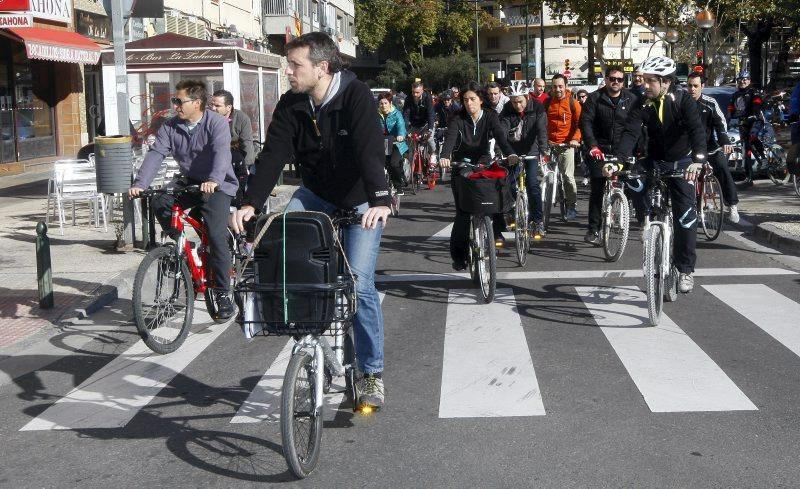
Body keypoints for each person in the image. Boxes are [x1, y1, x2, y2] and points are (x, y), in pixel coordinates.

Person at [229, 32, 391, 411]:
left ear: (322, 67)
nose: (288, 71)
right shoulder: (292, 103)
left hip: (361, 199)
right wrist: (251, 203)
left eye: (295, 65)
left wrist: (381, 199)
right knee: (280, 241)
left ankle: (371, 373)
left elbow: (370, 150)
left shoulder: (356, 97)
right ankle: (303, 331)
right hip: (315, 194)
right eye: (288, 64)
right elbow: (273, 154)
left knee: (359, 283)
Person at [129, 80, 238, 319]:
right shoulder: (170, 126)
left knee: (217, 236)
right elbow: (156, 153)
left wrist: (214, 180)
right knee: (160, 201)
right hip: (190, 182)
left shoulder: (216, 123)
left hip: (218, 184)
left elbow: (222, 153)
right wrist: (140, 184)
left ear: (197, 103)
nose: (175, 105)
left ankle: (222, 293)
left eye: (179, 101)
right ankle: (181, 248)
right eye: (174, 101)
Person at [616, 55, 707, 294]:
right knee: (632, 179)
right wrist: (618, 161)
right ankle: (646, 214)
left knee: (686, 217)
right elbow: (630, 132)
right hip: (654, 160)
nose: (645, 85)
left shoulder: (683, 100)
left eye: (650, 81)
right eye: (644, 80)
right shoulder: (642, 102)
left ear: (665, 82)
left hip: (682, 162)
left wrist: (698, 161)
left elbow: (697, 130)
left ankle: (685, 270)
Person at [438, 81, 519, 269]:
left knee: (493, 193)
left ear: (481, 100)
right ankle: (459, 257)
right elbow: (450, 139)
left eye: (473, 99)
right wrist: (444, 156)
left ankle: (495, 229)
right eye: (465, 100)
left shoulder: (490, 116)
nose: (469, 103)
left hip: (482, 161)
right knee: (463, 213)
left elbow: (500, 135)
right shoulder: (458, 119)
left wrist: (510, 153)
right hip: (461, 164)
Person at [580, 66, 644, 246]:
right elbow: (585, 123)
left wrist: (637, 150)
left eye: (620, 79)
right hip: (599, 151)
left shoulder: (632, 99)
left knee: (635, 186)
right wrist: (592, 146)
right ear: (606, 79)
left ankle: (641, 223)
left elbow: (635, 128)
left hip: (623, 151)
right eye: (612, 78)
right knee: (597, 189)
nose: (615, 82)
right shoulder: (594, 99)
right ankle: (593, 229)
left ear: (624, 81)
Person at [686, 72, 740, 223]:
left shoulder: (710, 103)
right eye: (689, 85)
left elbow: (720, 124)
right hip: (689, 148)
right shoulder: (682, 103)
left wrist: (725, 142)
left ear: (702, 86)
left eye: (695, 86)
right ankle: (692, 206)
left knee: (722, 167)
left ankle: (732, 205)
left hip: (709, 146)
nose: (692, 89)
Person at [500, 87, 548, 238]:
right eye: (514, 102)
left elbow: (541, 129)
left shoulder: (538, 107)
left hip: (531, 149)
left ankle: (537, 220)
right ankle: (512, 209)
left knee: (532, 183)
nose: (517, 105)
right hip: (513, 149)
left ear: (527, 97)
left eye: (520, 101)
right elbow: (501, 130)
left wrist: (543, 149)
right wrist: (500, 149)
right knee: (508, 182)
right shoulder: (507, 108)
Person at [545, 74, 582, 220]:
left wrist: (575, 139)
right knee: (545, 175)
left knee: (567, 176)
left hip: (567, 145)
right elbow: (541, 123)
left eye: (560, 86)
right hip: (550, 144)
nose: (557, 89)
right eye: (554, 86)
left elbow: (580, 124)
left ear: (566, 86)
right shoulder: (547, 102)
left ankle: (572, 205)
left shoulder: (573, 103)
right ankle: (545, 201)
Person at [209, 89, 255, 205]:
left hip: (236, 158)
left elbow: (247, 143)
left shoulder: (242, 118)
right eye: (212, 105)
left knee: (241, 190)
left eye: (217, 106)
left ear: (229, 107)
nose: (213, 108)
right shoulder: (208, 117)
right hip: (214, 157)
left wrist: (247, 166)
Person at [728, 70, 764, 187]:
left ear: (749, 81)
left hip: (755, 120)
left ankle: (763, 158)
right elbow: (730, 110)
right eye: (740, 80)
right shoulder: (735, 95)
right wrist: (726, 120)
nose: (742, 82)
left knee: (752, 137)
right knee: (746, 150)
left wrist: (753, 114)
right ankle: (749, 178)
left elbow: (757, 105)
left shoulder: (754, 92)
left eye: (745, 79)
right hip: (743, 122)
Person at [377, 91, 409, 193]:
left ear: (390, 103)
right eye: (381, 103)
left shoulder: (397, 114)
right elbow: (370, 127)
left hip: (397, 143)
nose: (383, 105)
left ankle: (398, 187)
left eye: (385, 103)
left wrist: (401, 135)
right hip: (382, 143)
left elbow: (401, 126)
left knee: (393, 163)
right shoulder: (376, 114)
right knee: (377, 164)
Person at [403, 81, 437, 167]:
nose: (415, 94)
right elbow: (406, 115)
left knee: (429, 139)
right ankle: (411, 168)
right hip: (414, 124)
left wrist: (429, 130)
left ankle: (433, 154)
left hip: (426, 124)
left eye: (417, 92)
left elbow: (430, 114)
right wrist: (406, 130)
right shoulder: (408, 99)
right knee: (410, 144)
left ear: (422, 91)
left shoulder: (427, 98)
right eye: (413, 92)